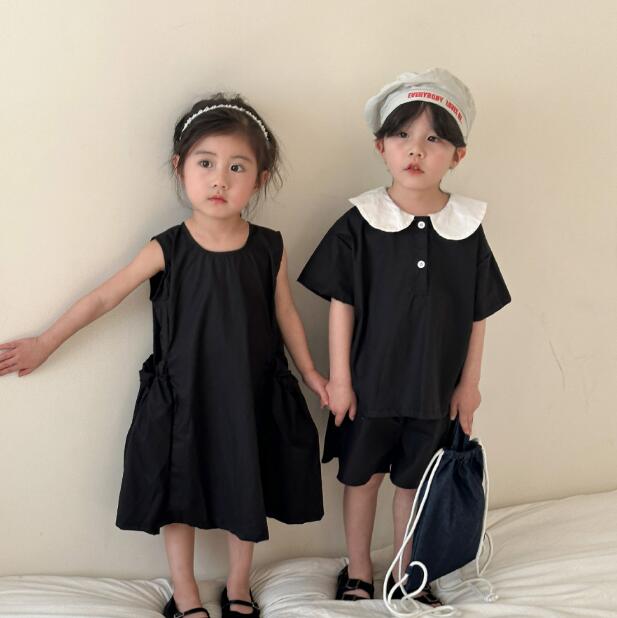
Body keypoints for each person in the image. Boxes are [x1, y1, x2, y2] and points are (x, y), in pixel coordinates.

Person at [0, 93, 327, 618]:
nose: (220, 179)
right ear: (180, 168)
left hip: (248, 394)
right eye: (206, 163)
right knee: (178, 491)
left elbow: (285, 313)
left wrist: (311, 372)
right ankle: (185, 591)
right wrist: (45, 342)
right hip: (184, 395)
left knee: (247, 482)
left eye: (237, 167)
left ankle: (238, 585)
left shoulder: (269, 247)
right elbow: (103, 297)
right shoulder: (169, 247)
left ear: (260, 178)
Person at [298, 68, 511, 607]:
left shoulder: (467, 228)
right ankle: (358, 570)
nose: (416, 149)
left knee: (415, 485)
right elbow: (340, 304)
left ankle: (405, 569)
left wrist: (470, 385)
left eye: (433, 139)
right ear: (381, 146)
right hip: (368, 387)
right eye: (402, 135)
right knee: (362, 478)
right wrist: (340, 380)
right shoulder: (360, 222)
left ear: (457, 155)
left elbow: (478, 314)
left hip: (433, 390)